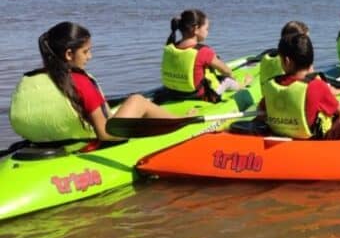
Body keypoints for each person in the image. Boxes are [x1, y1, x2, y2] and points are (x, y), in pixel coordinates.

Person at [9, 22, 178, 142]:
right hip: (84, 140)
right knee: (137, 100)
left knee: (121, 105)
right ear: (69, 54)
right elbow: (105, 133)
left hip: (44, 141)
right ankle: (182, 123)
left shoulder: (30, 78)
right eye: (86, 51)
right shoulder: (80, 81)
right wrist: (140, 131)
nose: (90, 57)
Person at [161, 9, 249, 102]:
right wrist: (231, 76)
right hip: (199, 95)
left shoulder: (170, 47)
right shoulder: (203, 51)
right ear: (196, 29)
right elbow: (225, 70)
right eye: (206, 29)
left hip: (173, 92)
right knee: (227, 80)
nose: (207, 32)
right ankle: (242, 86)